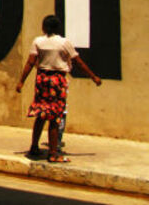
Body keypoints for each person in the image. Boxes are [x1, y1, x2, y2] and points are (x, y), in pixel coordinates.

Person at [16, 15, 101, 163]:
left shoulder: (38, 41)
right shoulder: (64, 43)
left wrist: (21, 81)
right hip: (57, 81)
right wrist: (93, 77)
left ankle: (34, 147)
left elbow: (30, 63)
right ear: (58, 28)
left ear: (44, 28)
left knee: (41, 114)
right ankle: (53, 153)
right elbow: (78, 62)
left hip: (42, 79)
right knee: (55, 118)